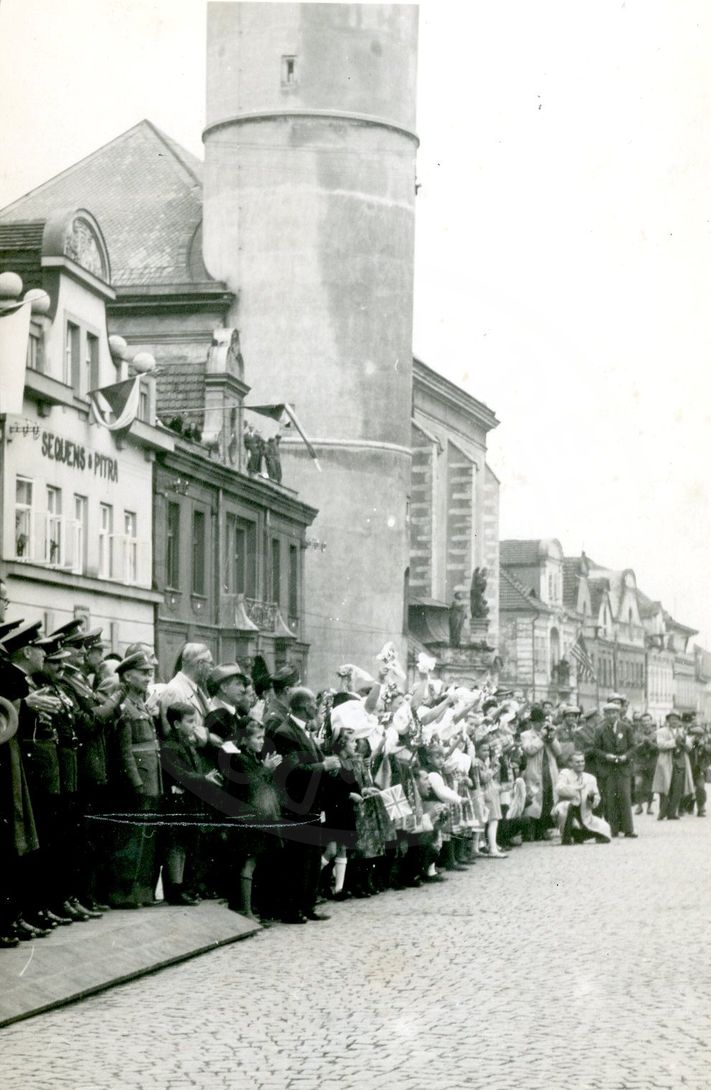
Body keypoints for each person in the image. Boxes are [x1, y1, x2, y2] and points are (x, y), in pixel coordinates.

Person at [270, 687, 340, 923]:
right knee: (297, 859)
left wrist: (327, 766)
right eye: (313, 702)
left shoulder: (304, 731)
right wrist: (324, 767)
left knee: (311, 857)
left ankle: (307, 905)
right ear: (302, 705)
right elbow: (293, 770)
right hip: (296, 803)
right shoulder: (285, 732)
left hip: (312, 802)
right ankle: (292, 908)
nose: (316, 706)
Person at [107, 653, 162, 908]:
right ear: (128, 676)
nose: (148, 677)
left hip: (151, 779)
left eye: (150, 673)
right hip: (139, 780)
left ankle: (141, 892)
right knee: (131, 838)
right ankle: (124, 893)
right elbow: (125, 750)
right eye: (144, 673)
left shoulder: (139, 703)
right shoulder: (124, 706)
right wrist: (135, 782)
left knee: (146, 838)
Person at [592, 702, 637, 838]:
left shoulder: (626, 728)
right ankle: (613, 829)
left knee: (625, 797)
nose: (611, 715)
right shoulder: (600, 729)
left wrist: (626, 756)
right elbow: (596, 749)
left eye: (614, 713)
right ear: (605, 715)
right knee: (610, 799)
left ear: (618, 714)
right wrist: (607, 756)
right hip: (608, 768)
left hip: (623, 767)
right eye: (608, 713)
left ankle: (628, 829)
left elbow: (633, 747)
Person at [520, 705, 561, 840]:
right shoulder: (526, 735)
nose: (541, 724)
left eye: (542, 721)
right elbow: (530, 750)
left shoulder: (549, 733)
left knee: (548, 798)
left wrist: (552, 738)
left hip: (549, 771)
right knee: (534, 799)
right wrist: (542, 738)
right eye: (537, 721)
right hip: (535, 771)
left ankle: (543, 829)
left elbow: (558, 752)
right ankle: (531, 831)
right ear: (532, 722)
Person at [552, 752, 611, 844]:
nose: (581, 764)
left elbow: (596, 801)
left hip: (584, 815)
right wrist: (576, 788)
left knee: (606, 830)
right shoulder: (565, 774)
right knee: (567, 806)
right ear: (570, 763)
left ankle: (579, 834)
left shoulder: (590, 778)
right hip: (566, 813)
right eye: (577, 762)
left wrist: (592, 798)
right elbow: (559, 789)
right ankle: (566, 838)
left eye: (582, 761)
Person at [159, 643, 214, 739]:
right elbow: (172, 734)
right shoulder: (174, 690)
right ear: (200, 664)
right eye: (210, 664)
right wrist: (208, 739)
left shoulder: (197, 689)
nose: (211, 669)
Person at [652, 712, 693, 821]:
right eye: (672, 719)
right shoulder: (661, 732)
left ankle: (672, 813)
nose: (674, 721)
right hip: (667, 762)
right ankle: (662, 812)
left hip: (680, 762)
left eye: (676, 719)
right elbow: (660, 745)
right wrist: (674, 742)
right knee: (665, 788)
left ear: (679, 721)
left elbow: (689, 747)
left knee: (677, 788)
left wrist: (685, 744)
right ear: (668, 721)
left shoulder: (683, 732)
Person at [633, 712, 658, 815]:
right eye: (644, 721)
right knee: (638, 784)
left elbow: (658, 748)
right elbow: (634, 748)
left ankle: (649, 806)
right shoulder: (636, 734)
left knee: (650, 785)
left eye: (648, 720)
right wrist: (642, 744)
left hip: (651, 762)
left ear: (651, 721)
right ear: (641, 722)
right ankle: (639, 805)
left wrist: (650, 743)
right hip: (639, 762)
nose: (646, 723)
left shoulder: (656, 734)